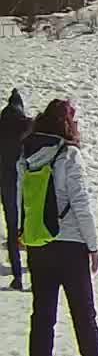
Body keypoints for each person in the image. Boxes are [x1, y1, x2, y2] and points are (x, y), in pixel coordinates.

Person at [19, 100, 98, 356]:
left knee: (42, 313)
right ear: (66, 124)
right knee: (83, 315)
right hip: (70, 246)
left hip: (38, 242)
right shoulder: (68, 155)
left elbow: (19, 197)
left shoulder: (27, 155)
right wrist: (92, 245)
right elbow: (81, 203)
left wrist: (21, 234)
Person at [2, 89, 29, 291]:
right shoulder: (26, 125)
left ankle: (17, 276)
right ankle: (35, 273)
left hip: (6, 183)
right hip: (27, 183)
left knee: (12, 229)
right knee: (29, 228)